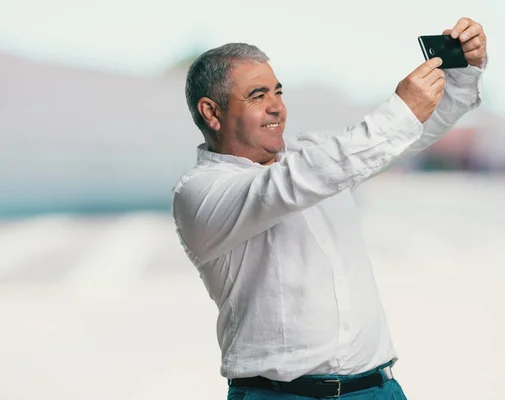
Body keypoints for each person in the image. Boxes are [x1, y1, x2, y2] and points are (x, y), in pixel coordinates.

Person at [172, 17, 487, 400]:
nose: (277, 108)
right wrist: (401, 109)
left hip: (379, 390)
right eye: (258, 96)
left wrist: (463, 72)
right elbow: (300, 182)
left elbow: (409, 133)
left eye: (278, 92)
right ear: (211, 112)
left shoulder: (313, 156)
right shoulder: (200, 192)